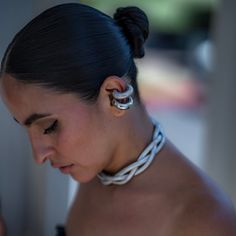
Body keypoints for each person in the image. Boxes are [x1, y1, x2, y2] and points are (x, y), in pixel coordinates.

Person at [0, 3, 236, 236]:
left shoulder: (205, 222)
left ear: (114, 94)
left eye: (50, 126)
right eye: (26, 129)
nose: (38, 156)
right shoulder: (97, 168)